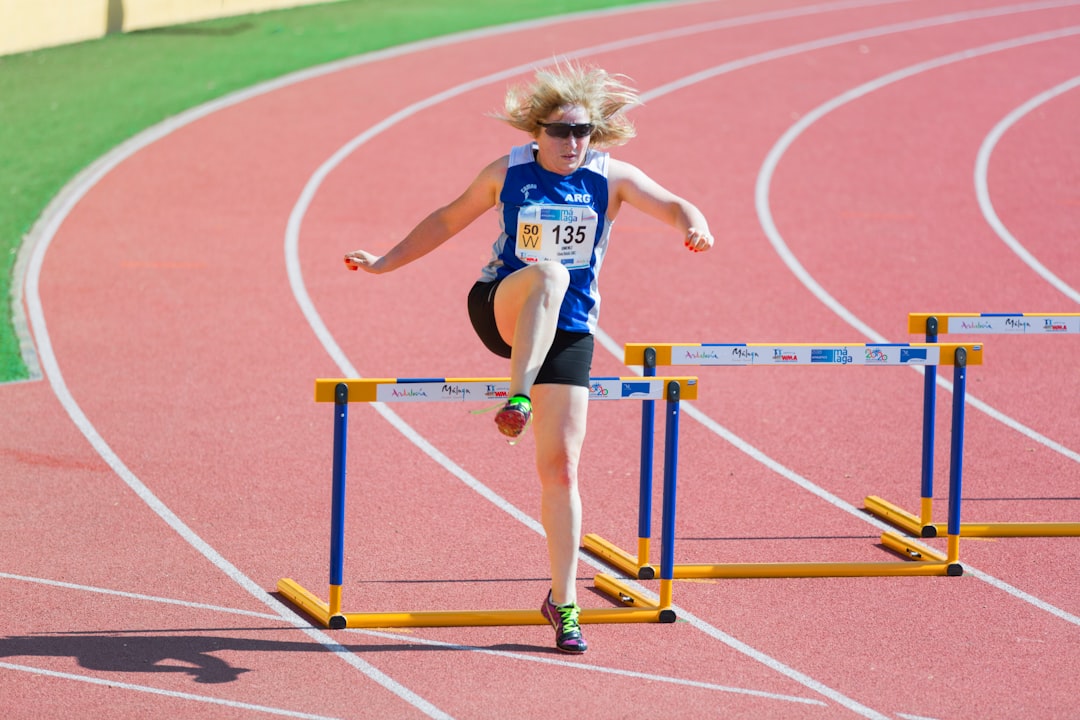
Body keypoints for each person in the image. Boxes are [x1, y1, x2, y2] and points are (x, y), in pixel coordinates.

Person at [344, 62, 713, 654]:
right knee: (547, 271)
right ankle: (518, 395)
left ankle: (563, 602)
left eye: (584, 131)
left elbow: (671, 203)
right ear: (534, 132)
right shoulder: (506, 174)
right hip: (502, 308)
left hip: (568, 334)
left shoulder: (610, 177)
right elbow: (446, 218)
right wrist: (384, 261)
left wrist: (694, 225)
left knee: (561, 469)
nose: (573, 143)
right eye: (561, 132)